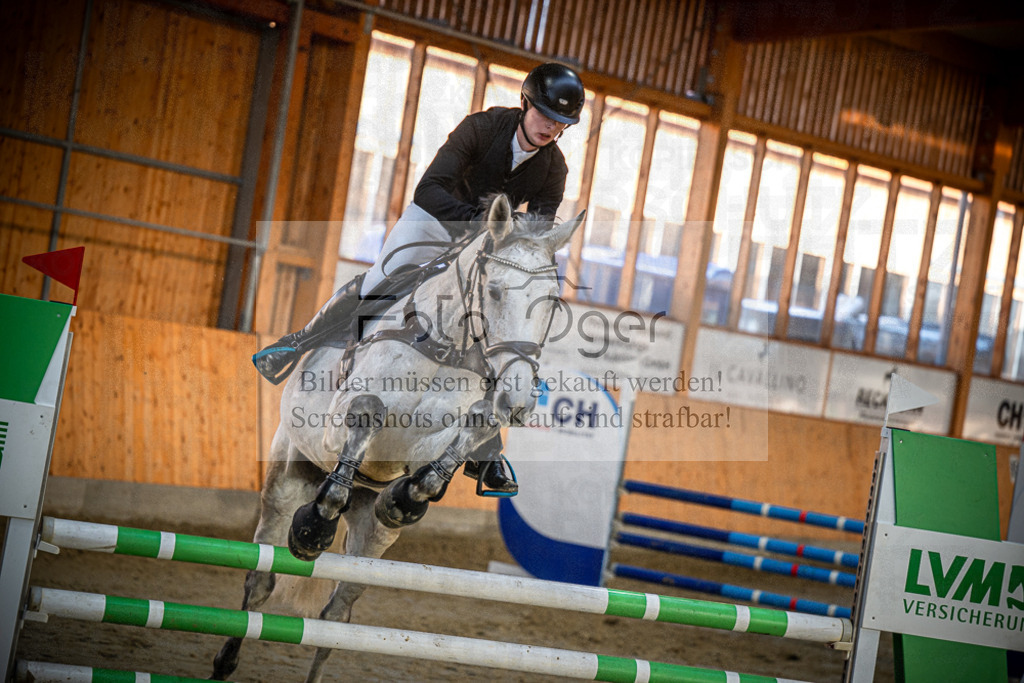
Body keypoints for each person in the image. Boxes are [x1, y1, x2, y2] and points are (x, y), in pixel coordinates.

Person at [253, 62, 586, 494]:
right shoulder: (481, 128)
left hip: (485, 244)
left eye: (561, 123)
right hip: (433, 221)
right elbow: (428, 189)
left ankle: (487, 449)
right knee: (380, 281)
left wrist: (501, 243)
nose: (550, 128)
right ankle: (296, 344)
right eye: (545, 115)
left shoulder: (554, 168)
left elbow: (534, 234)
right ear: (525, 103)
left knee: (492, 322)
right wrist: (476, 224)